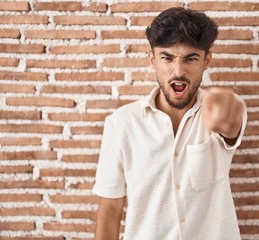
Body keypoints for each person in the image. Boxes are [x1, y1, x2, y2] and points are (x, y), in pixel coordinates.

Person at [93, 7, 247, 240]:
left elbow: (231, 123)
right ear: (152, 59)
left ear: (207, 60)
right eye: (166, 57)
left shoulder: (223, 108)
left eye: (191, 58)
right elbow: (110, 212)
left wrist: (228, 114)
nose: (178, 71)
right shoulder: (121, 123)